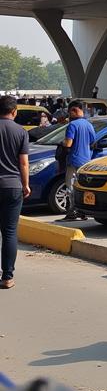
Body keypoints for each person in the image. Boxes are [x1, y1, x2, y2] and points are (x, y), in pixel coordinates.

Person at [0, 96, 30, 289]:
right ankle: (7, 277)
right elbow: (24, 162)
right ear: (14, 112)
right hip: (12, 186)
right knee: (9, 232)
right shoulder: (20, 131)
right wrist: (25, 184)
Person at [60, 101, 96, 222]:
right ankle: (83, 212)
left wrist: (62, 143)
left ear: (74, 110)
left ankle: (72, 212)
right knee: (82, 188)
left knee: (70, 187)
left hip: (74, 160)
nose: (68, 114)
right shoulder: (89, 125)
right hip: (86, 161)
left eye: (69, 111)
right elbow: (92, 142)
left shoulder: (72, 125)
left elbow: (68, 143)